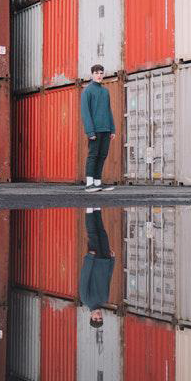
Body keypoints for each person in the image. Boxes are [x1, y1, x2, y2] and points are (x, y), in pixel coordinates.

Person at [81, 64, 116, 192]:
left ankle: (97, 183)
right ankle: (89, 184)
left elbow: (108, 111)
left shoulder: (105, 91)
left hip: (106, 129)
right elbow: (85, 113)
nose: (99, 75)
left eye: (101, 73)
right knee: (93, 155)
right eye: (96, 73)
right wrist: (90, 131)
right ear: (92, 74)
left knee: (102, 155)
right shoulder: (87, 91)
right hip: (94, 130)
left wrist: (112, 129)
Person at [79, 207, 114, 328]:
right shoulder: (104, 299)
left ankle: (89, 210)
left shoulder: (86, 299)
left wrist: (89, 258)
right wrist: (112, 260)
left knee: (93, 234)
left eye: (96, 318)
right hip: (105, 260)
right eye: (100, 318)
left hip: (94, 259)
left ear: (91, 316)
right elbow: (108, 278)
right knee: (103, 233)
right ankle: (97, 209)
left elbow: (84, 276)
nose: (98, 316)